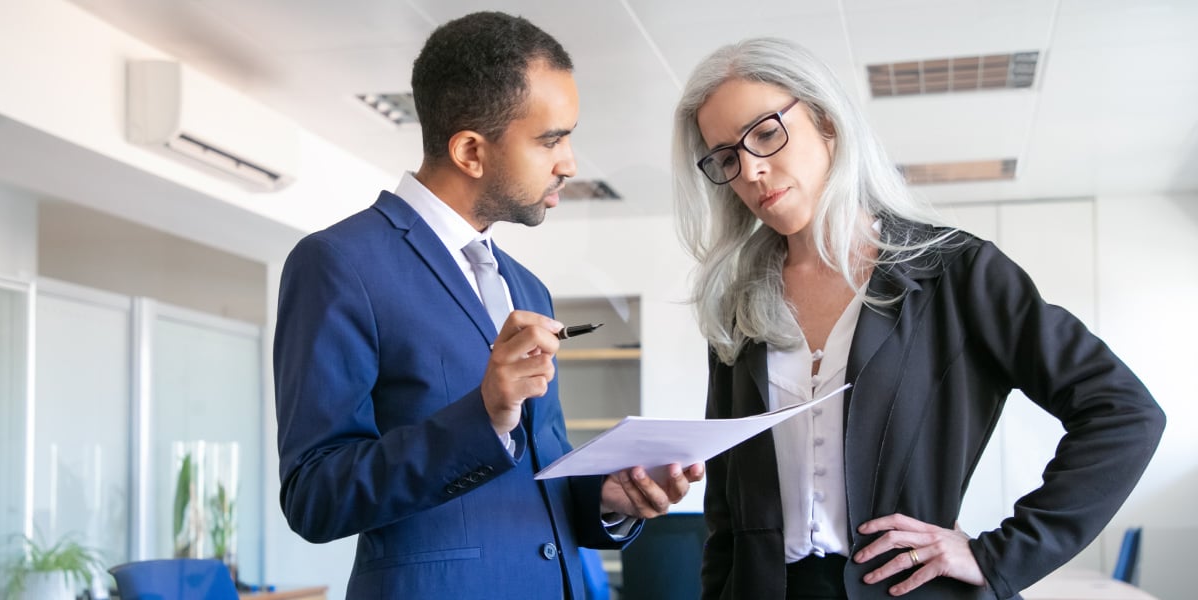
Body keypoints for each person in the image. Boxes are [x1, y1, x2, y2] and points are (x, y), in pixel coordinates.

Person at [671, 38, 1165, 599]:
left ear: (827, 123)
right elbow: (727, 512)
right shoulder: (740, 303)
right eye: (728, 158)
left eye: (765, 133)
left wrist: (1001, 554)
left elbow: (1124, 412)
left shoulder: (956, 273)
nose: (753, 171)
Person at [274, 12, 703, 599]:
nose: (570, 162)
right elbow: (314, 497)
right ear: (471, 151)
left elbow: (539, 470)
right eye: (551, 139)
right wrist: (484, 415)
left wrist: (606, 495)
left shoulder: (527, 288)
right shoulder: (339, 263)